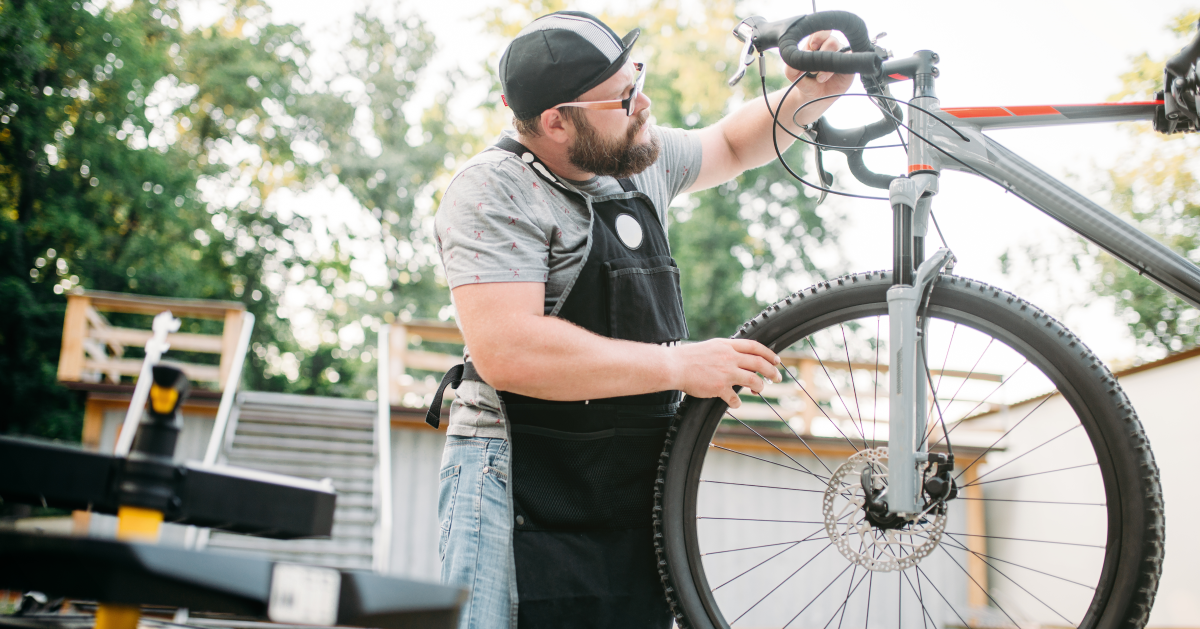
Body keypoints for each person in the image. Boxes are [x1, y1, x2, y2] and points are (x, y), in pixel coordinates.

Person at [428, 10, 852, 629]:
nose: (644, 102)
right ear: (556, 121)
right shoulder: (495, 191)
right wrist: (679, 364)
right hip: (514, 483)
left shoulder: (635, 159)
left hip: (624, 482)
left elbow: (734, 143)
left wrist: (809, 94)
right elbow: (508, 351)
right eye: (623, 97)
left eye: (637, 78)